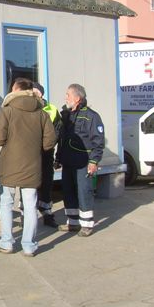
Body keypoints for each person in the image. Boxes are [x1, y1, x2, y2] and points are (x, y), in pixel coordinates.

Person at [0, 78, 56, 256]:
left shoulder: (7, 111)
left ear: (15, 90)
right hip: (33, 165)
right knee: (30, 205)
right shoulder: (42, 112)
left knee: (6, 203)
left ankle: (7, 242)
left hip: (9, 165)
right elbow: (50, 141)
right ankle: (29, 245)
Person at [56, 84, 105, 237]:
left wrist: (94, 161)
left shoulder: (91, 116)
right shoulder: (65, 114)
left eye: (68, 95)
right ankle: (73, 222)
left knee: (84, 192)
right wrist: (58, 158)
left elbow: (98, 140)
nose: (66, 98)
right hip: (68, 161)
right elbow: (61, 139)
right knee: (68, 191)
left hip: (83, 162)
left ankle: (87, 224)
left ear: (77, 98)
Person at [32, 82, 62, 227]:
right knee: (29, 184)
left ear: (41, 94)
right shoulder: (28, 109)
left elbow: (57, 131)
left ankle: (47, 214)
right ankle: (27, 215)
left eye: (35, 91)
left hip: (46, 153)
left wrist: (47, 145)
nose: (33, 94)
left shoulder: (52, 109)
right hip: (30, 155)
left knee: (46, 183)